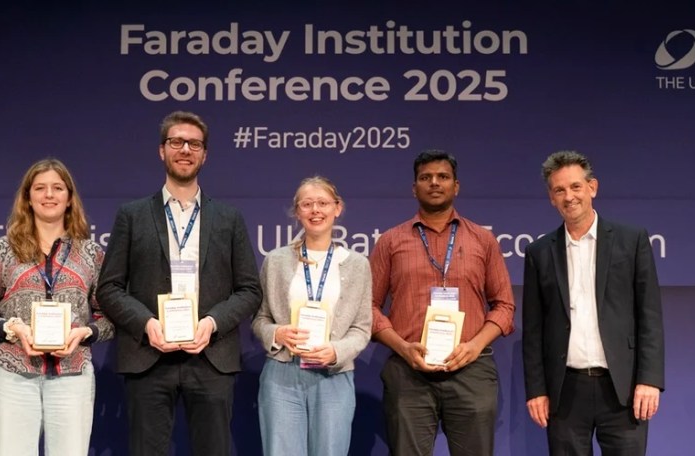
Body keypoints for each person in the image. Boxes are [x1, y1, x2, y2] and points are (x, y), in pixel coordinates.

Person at [97, 110, 262, 456]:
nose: (185, 149)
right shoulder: (132, 215)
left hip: (211, 355)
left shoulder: (229, 219)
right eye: (176, 142)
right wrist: (147, 323)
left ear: (205, 154)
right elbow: (109, 288)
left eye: (194, 144)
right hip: (149, 355)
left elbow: (249, 289)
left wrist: (212, 323)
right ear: (162, 151)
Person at [0, 158, 114, 455]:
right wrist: (10, 328)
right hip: (14, 376)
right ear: (28, 198)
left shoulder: (92, 254)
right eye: (40, 188)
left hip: (72, 376)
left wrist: (85, 332)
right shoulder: (3, 251)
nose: (49, 195)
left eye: (58, 188)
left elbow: (110, 317)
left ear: (69, 199)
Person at [369, 150, 516, 456]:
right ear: (414, 188)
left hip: (471, 369)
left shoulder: (482, 240)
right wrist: (402, 347)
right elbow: (367, 308)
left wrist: (474, 346)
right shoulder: (391, 241)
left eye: (443, 177)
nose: (434, 183)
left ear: (456, 186)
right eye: (426, 178)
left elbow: (504, 306)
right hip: (408, 370)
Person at [522, 150, 665, 455]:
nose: (569, 197)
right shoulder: (539, 252)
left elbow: (649, 316)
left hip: (623, 389)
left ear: (593, 188)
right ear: (551, 197)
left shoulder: (632, 240)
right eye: (559, 190)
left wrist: (649, 380)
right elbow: (533, 330)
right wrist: (537, 390)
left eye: (575, 187)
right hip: (565, 391)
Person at [251, 176, 372, 456]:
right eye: (307, 204)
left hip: (334, 375)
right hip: (282, 374)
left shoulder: (357, 265)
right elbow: (259, 319)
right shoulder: (276, 261)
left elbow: (362, 328)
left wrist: (336, 351)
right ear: (297, 212)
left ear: (337, 208)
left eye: (323, 203)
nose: (315, 210)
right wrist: (277, 333)